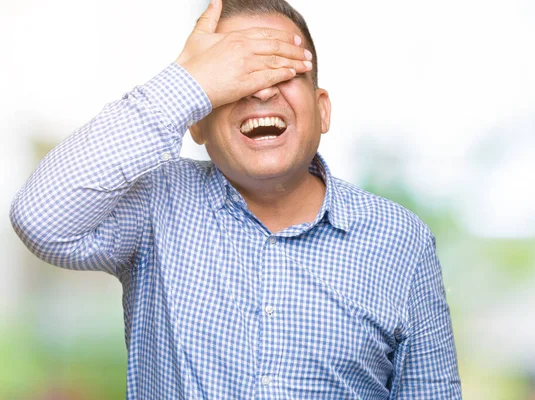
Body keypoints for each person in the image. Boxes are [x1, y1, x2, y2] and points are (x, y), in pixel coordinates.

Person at [9, 0, 462, 398]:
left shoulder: (402, 241)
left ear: (322, 110)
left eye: (283, 70)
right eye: (235, 75)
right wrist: (187, 83)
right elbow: (41, 217)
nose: (262, 90)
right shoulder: (156, 204)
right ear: (198, 122)